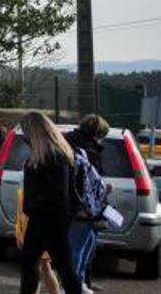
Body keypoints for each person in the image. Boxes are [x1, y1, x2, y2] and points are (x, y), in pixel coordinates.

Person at [17, 112, 83, 294]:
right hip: (45, 217)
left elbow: (59, 192)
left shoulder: (54, 156)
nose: (24, 137)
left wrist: (33, 204)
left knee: (62, 267)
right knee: (35, 264)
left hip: (49, 219)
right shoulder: (51, 155)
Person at [65, 114, 109, 292]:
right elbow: (90, 181)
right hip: (83, 206)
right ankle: (73, 284)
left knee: (86, 244)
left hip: (76, 204)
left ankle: (79, 281)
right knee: (79, 246)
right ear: (97, 134)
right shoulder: (89, 151)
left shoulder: (69, 142)